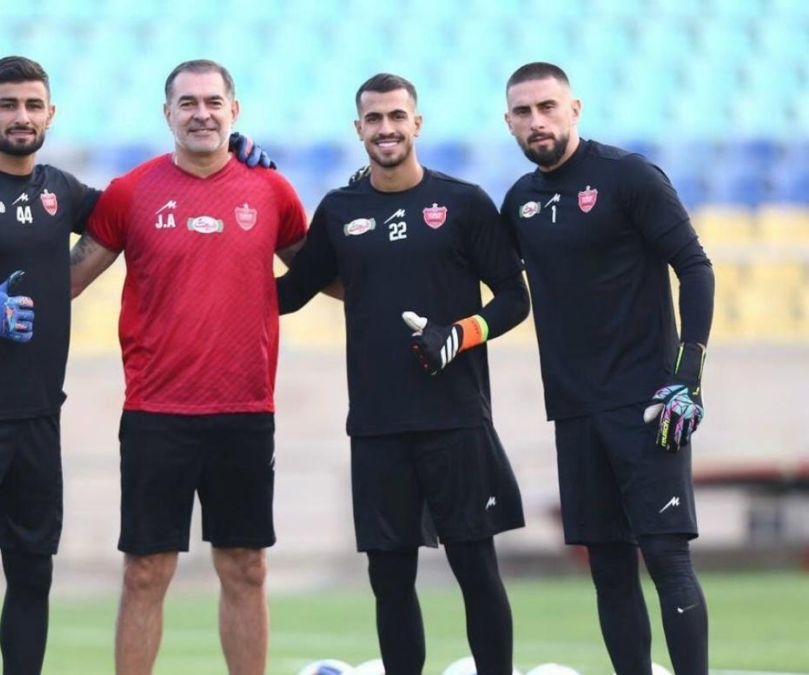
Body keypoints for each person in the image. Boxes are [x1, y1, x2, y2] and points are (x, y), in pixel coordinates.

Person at [0, 55, 269, 675]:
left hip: (37, 418)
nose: (21, 116)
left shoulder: (61, 192)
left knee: (32, 575)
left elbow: (146, 204)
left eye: (33, 106)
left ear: (50, 114)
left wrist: (234, 159)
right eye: (8, 105)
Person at [276, 73, 529, 675]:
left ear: (416, 123)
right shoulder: (340, 210)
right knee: (389, 579)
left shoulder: (464, 203)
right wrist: (240, 228)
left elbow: (515, 298)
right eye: (374, 119)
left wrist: (460, 333)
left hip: (456, 419)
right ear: (358, 128)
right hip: (378, 425)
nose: (385, 128)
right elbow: (289, 294)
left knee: (476, 570)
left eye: (396, 117)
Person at [68, 59, 308, 675]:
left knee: (246, 566)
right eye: (188, 103)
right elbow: (66, 281)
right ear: (167, 114)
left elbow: (325, 274)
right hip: (156, 413)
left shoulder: (271, 190)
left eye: (213, 102)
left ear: (235, 111)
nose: (202, 114)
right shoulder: (131, 192)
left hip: (245, 409)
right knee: (145, 570)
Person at [500, 62, 714, 675]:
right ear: (508, 122)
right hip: (574, 410)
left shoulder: (628, 177)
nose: (537, 121)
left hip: (648, 403)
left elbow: (695, 267)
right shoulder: (519, 202)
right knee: (610, 569)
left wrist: (687, 376)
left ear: (575, 109)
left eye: (547, 107)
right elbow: (486, 276)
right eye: (523, 111)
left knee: (667, 559)